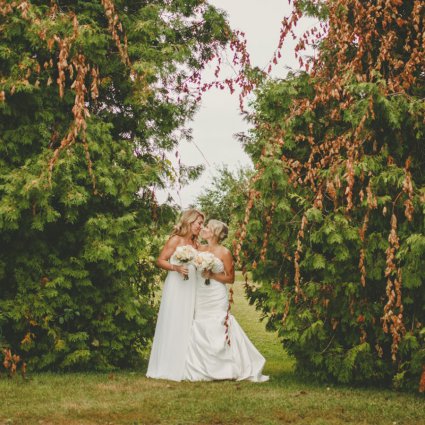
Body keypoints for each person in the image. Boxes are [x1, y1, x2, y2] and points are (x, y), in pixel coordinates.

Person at [183, 219, 269, 382]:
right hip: (201, 293)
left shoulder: (224, 252)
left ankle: (227, 368)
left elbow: (230, 278)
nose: (203, 229)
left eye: (207, 227)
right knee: (200, 323)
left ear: (214, 232)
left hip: (216, 294)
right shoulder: (199, 248)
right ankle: (201, 367)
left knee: (218, 323)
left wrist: (212, 275)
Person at [146, 209, 204, 381]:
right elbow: (160, 260)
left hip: (191, 286)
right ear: (189, 222)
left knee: (188, 321)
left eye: (201, 224)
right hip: (176, 286)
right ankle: (167, 364)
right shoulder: (176, 239)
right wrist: (176, 268)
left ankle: (186, 364)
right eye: (198, 223)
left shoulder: (196, 244)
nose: (201, 227)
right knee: (174, 320)